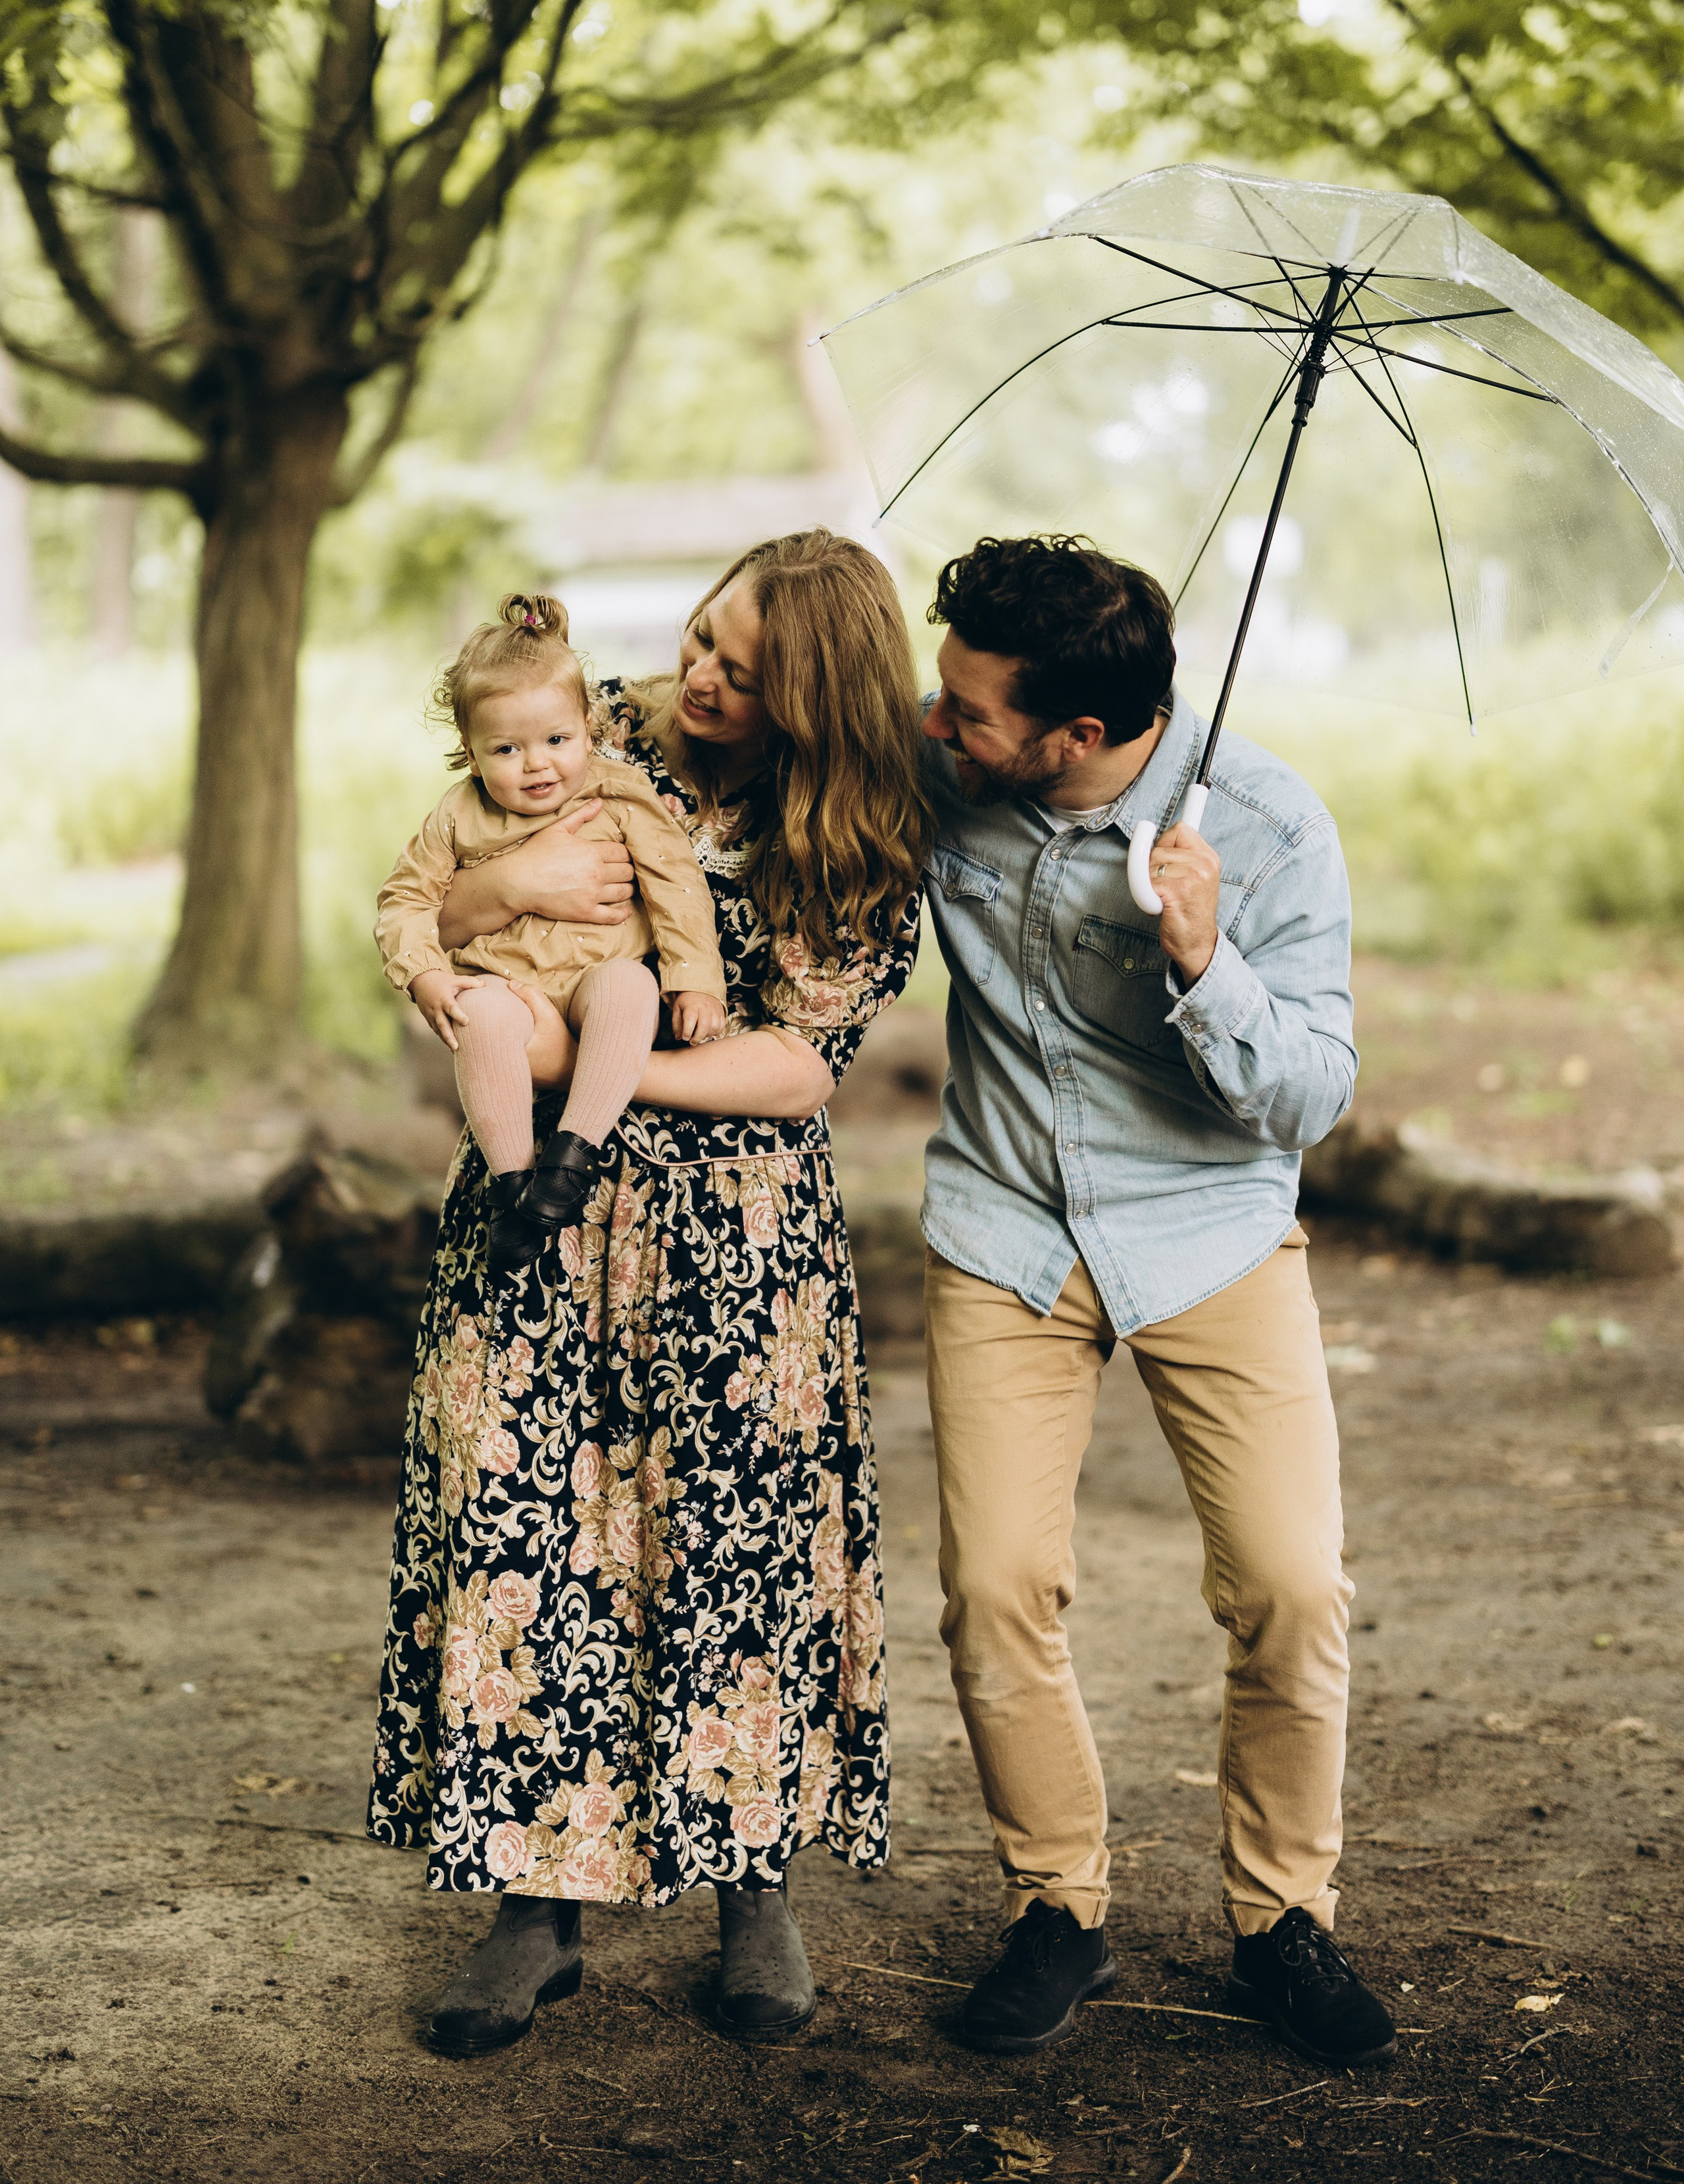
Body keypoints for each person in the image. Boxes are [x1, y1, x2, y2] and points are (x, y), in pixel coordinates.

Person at [366, 529, 928, 2056]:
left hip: (737, 1243)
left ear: (811, 700)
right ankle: (530, 1904)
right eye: (699, 636)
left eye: (740, 672)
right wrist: (494, 892)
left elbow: (799, 1065)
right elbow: (427, 903)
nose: (697, 676)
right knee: (521, 1522)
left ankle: (751, 1883)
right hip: (535, 1211)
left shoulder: (855, 833)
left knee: (730, 1540)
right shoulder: (583, 722)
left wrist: (596, 1071)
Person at [916, 533, 1395, 2072]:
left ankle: (1280, 1920)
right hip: (1005, 1223)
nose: (941, 725)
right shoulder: (947, 783)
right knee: (994, 1582)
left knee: (1290, 1583)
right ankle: (1055, 1906)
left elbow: (1309, 1093)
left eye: (974, 713)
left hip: (1207, 1229)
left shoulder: (1261, 824)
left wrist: (1202, 956)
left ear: (1076, 732)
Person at [375, 591, 727, 1274]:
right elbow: (405, 898)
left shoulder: (618, 793)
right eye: (507, 748)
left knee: (630, 985)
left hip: (597, 980)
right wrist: (424, 972)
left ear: (587, 731)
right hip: (509, 987)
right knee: (476, 1014)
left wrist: (695, 979)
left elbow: (675, 883)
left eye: (556, 741)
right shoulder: (457, 816)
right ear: (471, 755)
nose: (537, 765)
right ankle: (514, 1187)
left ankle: (571, 1154)